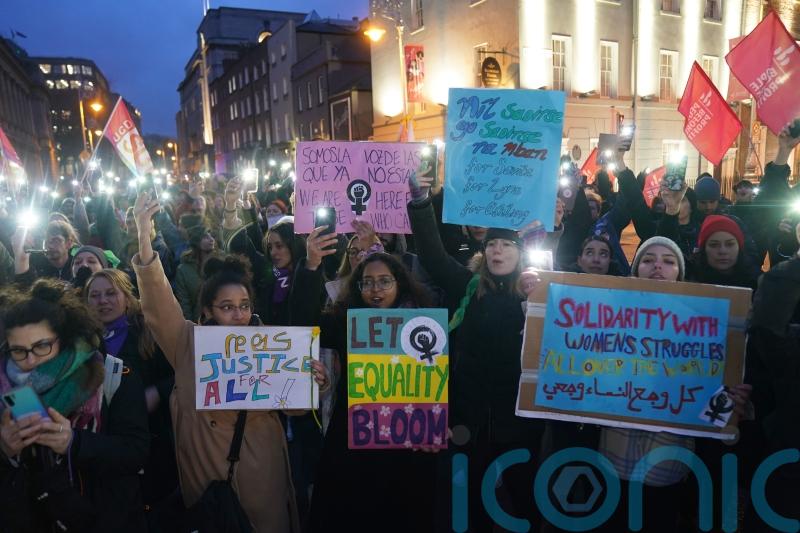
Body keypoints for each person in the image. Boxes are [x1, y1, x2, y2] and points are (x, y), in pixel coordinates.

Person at [131, 191, 327, 532]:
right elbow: (159, 302)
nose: (238, 314)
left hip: (263, 476)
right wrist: (144, 237)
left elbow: (295, 408)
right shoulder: (187, 343)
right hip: (210, 483)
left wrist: (315, 383)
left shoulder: (270, 344)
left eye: (244, 305)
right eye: (226, 307)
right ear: (207, 310)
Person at [407, 167, 544, 530]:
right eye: (493, 245)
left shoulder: (536, 293)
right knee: (469, 509)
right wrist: (420, 204)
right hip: (468, 424)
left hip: (518, 426)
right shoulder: (467, 286)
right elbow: (433, 256)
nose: (498, 250)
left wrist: (542, 291)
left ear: (520, 253)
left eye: (507, 245)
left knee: (524, 504)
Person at [594, 235, 751, 532]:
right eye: (648, 260)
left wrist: (731, 406)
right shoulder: (608, 317)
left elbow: (714, 406)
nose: (658, 267)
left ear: (679, 273)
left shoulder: (703, 326)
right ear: (635, 270)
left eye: (668, 262)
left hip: (666, 463)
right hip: (613, 458)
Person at [291, 232, 437, 533]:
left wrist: (436, 422)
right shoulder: (347, 321)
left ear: (399, 283)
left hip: (404, 444)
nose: (375, 289)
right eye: (367, 282)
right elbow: (303, 321)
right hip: (352, 442)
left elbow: (437, 380)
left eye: (384, 281)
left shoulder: (424, 326)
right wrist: (311, 265)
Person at [0, 279, 149, 532]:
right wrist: (5, 452)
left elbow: (136, 451)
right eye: (19, 351)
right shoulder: (5, 386)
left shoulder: (112, 375)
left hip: (101, 518)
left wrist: (75, 442)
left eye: (42, 345)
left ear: (65, 338)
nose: (31, 360)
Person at [84, 269, 179, 530]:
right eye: (95, 295)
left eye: (110, 293)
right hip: (102, 445)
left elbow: (181, 373)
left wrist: (157, 392)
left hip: (150, 440)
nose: (103, 301)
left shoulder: (149, 333)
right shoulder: (81, 341)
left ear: (127, 298)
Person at [175, 219, 219, 320]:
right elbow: (184, 304)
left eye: (211, 236)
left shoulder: (221, 263)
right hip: (199, 322)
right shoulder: (183, 270)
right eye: (205, 237)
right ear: (196, 242)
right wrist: (192, 326)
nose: (211, 239)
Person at [13, 219, 79, 284]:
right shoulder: (36, 264)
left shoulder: (78, 264)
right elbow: (22, 288)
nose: (50, 246)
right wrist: (21, 260)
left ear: (69, 243)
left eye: (56, 241)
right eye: (46, 241)